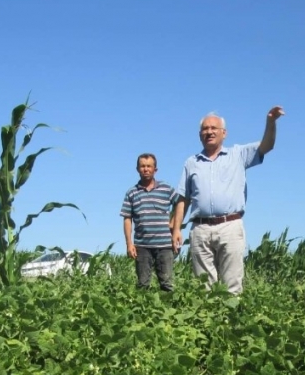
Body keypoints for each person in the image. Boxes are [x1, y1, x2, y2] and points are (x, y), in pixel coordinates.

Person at [172, 106, 284, 294]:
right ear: (200, 134)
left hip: (230, 225)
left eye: (213, 128)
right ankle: (207, 321)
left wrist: (271, 122)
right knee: (203, 286)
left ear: (224, 133)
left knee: (232, 284)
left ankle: (231, 320)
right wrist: (176, 228)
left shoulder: (238, 154)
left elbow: (267, 146)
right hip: (200, 228)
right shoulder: (192, 162)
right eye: (205, 129)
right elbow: (183, 198)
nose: (209, 132)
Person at [120, 153, 179, 291]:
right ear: (137, 169)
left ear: (155, 169)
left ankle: (168, 310)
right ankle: (142, 311)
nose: (146, 169)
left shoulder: (166, 188)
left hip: (164, 244)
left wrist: (174, 223)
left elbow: (180, 204)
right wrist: (129, 244)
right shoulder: (132, 193)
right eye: (142, 166)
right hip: (142, 245)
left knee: (167, 284)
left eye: (149, 166)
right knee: (142, 284)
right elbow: (127, 218)